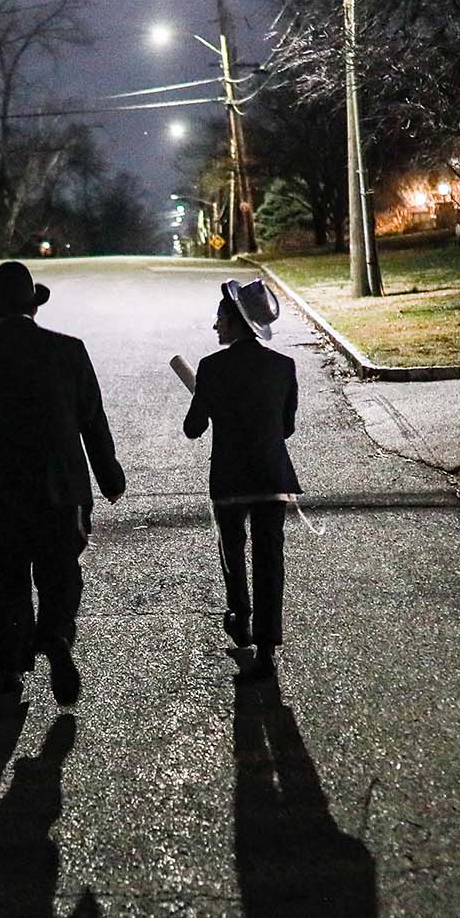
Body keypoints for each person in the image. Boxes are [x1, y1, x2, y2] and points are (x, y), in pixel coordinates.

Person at [0, 260, 126, 702]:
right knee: (61, 570)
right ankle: (57, 636)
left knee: (8, 575)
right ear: (34, 309)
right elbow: (92, 421)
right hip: (62, 488)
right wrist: (110, 477)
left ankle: (11, 666)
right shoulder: (69, 351)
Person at [183, 278, 301, 679]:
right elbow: (286, 427)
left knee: (233, 548)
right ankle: (267, 647)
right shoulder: (284, 367)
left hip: (230, 480)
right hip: (272, 476)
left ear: (236, 323)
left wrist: (207, 401)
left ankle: (240, 616)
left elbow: (192, 428)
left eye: (220, 319)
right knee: (270, 559)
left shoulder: (211, 369)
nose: (216, 326)